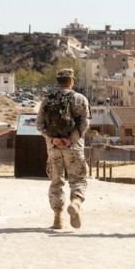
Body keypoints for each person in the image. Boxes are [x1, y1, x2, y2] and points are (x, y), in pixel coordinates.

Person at [36, 68, 91, 229]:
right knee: (78, 178)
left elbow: (39, 124)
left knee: (56, 181)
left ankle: (57, 217)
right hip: (73, 147)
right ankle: (75, 203)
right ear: (72, 80)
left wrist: (53, 139)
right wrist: (69, 140)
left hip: (53, 147)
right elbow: (84, 123)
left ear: (58, 81)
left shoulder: (47, 100)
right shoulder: (79, 99)